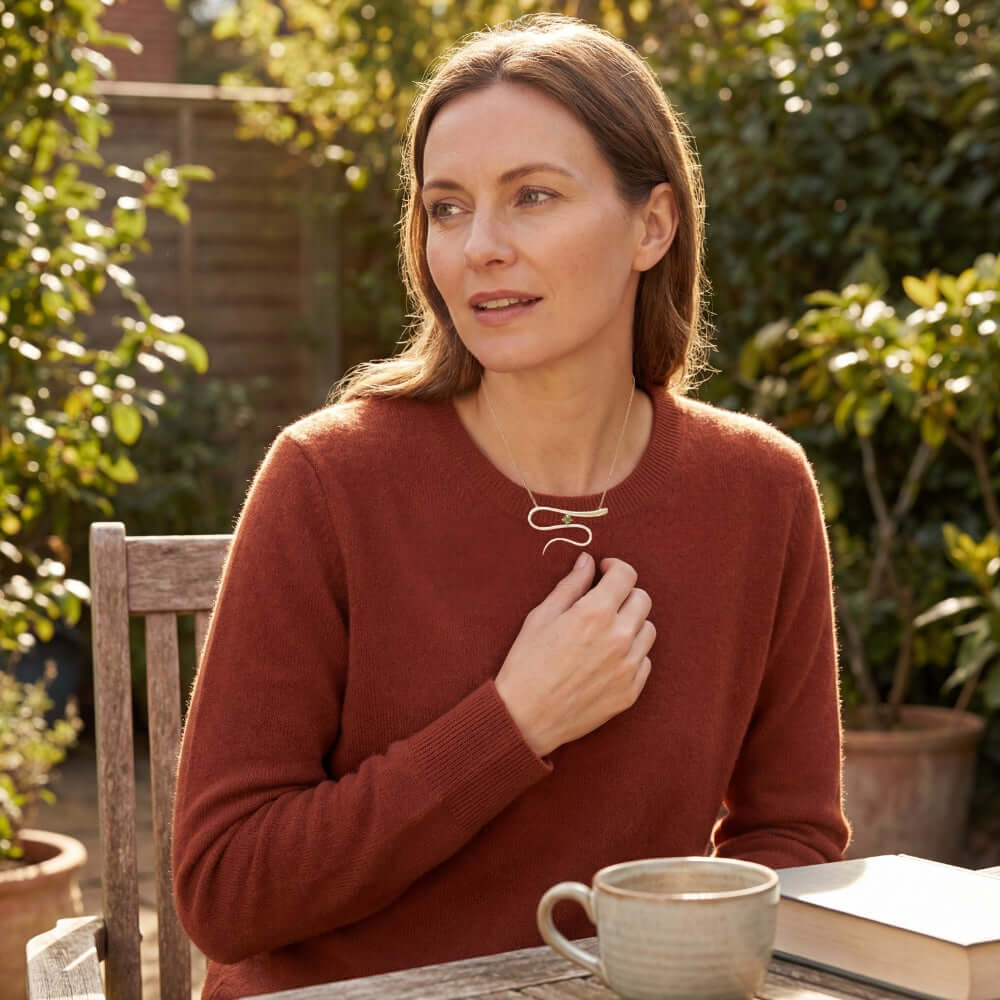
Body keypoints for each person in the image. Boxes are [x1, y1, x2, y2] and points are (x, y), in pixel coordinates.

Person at [172, 14, 849, 999]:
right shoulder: (328, 479)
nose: (480, 247)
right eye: (447, 208)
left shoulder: (757, 490)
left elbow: (789, 840)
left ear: (651, 225)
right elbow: (225, 890)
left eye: (532, 196)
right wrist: (511, 723)